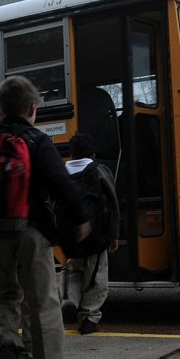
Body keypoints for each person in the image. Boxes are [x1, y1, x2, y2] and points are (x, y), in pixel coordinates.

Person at [0, 75, 91, 359]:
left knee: (2, 295)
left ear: (0, 109)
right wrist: (81, 218)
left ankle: (7, 339)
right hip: (31, 230)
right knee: (43, 302)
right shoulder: (37, 140)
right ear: (32, 108)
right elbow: (62, 184)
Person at [60, 132, 120, 335]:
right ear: (93, 154)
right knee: (96, 275)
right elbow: (112, 204)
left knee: (73, 270)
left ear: (71, 153)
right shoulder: (99, 171)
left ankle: (69, 300)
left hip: (71, 237)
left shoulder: (61, 172)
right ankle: (89, 317)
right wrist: (113, 235)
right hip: (97, 236)